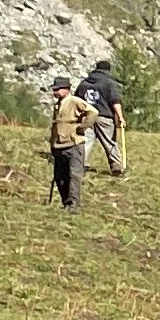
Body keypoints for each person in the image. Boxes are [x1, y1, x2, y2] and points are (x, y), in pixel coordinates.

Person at [79, 56, 127, 176]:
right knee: (109, 141)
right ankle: (116, 166)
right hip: (104, 116)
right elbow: (115, 101)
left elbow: (78, 100)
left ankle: (79, 164)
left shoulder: (84, 83)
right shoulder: (109, 83)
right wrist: (120, 117)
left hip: (87, 116)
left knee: (86, 141)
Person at [45, 77, 88, 208]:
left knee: (74, 175)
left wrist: (83, 127)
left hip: (73, 144)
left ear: (67, 90)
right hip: (59, 145)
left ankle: (74, 204)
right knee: (60, 176)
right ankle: (66, 202)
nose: (55, 92)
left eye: (57, 89)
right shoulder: (58, 104)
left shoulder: (75, 101)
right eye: (54, 90)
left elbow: (93, 112)